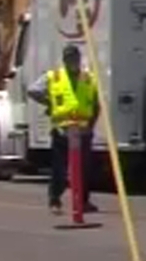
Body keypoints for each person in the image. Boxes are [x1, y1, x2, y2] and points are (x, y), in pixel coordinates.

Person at [26, 43, 100, 216]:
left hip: (83, 130)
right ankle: (55, 199)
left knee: (84, 168)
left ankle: (83, 201)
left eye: (75, 58)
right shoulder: (55, 77)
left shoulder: (88, 78)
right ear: (64, 60)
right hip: (62, 129)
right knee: (59, 168)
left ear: (79, 59)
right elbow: (33, 91)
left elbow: (95, 104)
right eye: (69, 59)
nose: (72, 62)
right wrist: (49, 101)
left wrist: (92, 124)